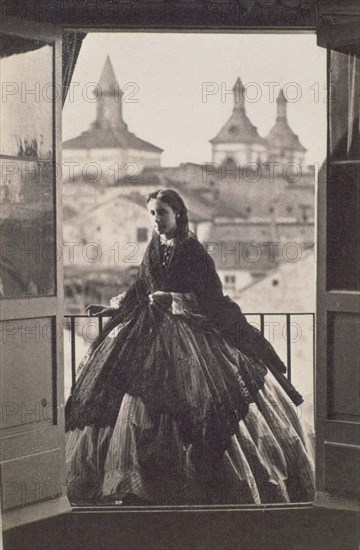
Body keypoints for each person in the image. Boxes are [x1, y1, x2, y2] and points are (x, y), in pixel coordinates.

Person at [65, 188, 314, 505]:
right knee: (133, 398)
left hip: (189, 338)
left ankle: (192, 484)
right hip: (146, 332)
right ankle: (135, 481)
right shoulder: (156, 245)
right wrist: (113, 309)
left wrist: (175, 300)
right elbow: (141, 286)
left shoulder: (194, 251)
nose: (156, 220)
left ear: (179, 214)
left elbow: (211, 299)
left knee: (192, 404)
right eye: (153, 214)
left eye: (163, 213)